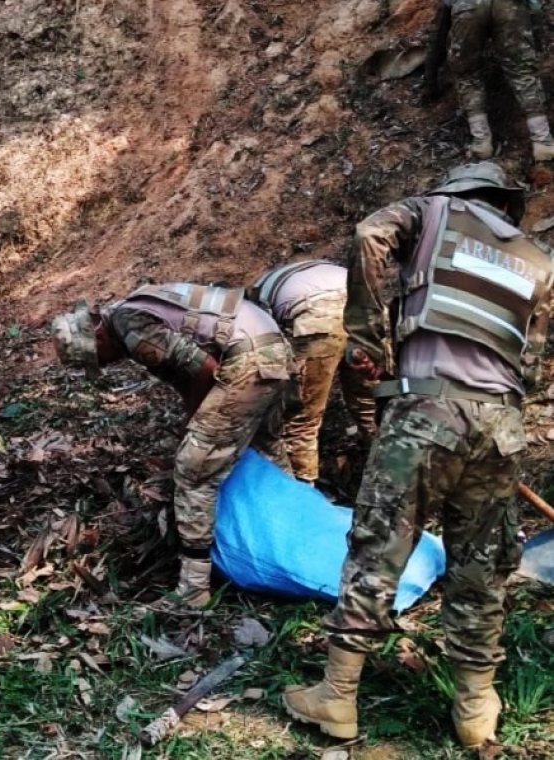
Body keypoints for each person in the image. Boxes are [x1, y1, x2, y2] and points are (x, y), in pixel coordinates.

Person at [283, 162, 552, 748]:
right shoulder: (536, 259)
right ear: (504, 206)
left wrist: (369, 336)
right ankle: (476, 706)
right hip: (501, 425)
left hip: (426, 411)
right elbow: (531, 356)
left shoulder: (430, 212)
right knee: (483, 566)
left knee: (379, 548)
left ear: (456, 192)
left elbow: (369, 236)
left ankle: (337, 696)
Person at [51, 283, 294, 607]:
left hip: (247, 358)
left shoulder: (129, 327)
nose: (104, 365)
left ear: (97, 337)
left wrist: (195, 428)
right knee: (265, 447)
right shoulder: (133, 310)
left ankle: (193, 588)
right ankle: (294, 528)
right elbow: (187, 371)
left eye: (96, 358)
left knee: (193, 470)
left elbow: (205, 371)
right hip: (269, 344)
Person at [247, 261, 377, 483]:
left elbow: (267, 361)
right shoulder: (289, 276)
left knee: (300, 421)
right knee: (369, 404)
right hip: (364, 304)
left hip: (317, 314)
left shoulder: (252, 308)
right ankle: (380, 471)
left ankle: (304, 496)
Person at [441, 0, 554, 161]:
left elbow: (446, 7)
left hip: (469, 6)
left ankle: (481, 142)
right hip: (510, 6)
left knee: (467, 73)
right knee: (522, 72)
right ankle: (543, 141)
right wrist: (536, 36)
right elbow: (535, 6)